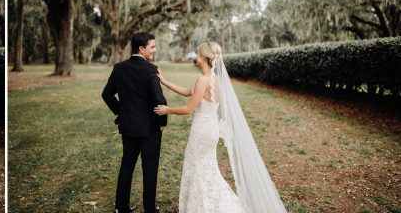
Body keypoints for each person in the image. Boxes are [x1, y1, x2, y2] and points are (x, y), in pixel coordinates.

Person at [154, 42, 286, 213]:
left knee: (197, 168)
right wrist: (164, 82)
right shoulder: (215, 79)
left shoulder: (203, 80)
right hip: (211, 128)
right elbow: (188, 91)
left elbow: (188, 109)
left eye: (198, 54)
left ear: (204, 58)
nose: (196, 56)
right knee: (206, 168)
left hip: (202, 131)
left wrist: (167, 109)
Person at [102, 32, 167, 213]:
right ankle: (149, 209)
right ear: (141, 48)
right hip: (150, 129)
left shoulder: (119, 68)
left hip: (128, 126)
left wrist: (121, 111)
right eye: (152, 47)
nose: (154, 50)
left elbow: (106, 94)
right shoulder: (151, 69)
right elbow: (159, 99)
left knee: (127, 166)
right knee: (150, 168)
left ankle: (121, 208)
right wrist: (163, 121)